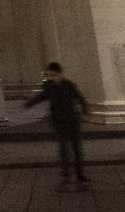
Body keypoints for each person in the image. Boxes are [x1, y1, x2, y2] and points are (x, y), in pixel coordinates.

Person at [25, 62, 88, 190]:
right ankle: (66, 177)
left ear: (60, 74)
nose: (51, 78)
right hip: (59, 122)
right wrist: (29, 104)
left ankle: (79, 175)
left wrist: (85, 109)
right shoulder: (50, 87)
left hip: (72, 121)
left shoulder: (69, 85)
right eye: (49, 76)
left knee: (76, 149)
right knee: (64, 149)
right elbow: (41, 97)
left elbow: (80, 97)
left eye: (54, 75)